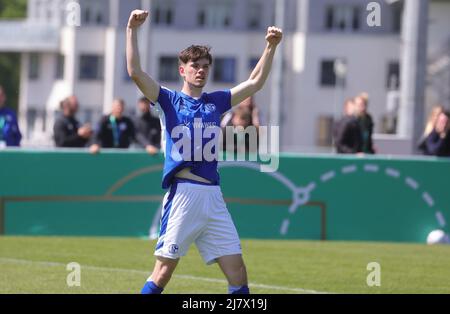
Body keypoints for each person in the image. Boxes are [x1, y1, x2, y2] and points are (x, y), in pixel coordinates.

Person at [126, 9, 282, 294]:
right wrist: (131, 30)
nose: (201, 70)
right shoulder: (168, 100)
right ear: (182, 69)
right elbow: (135, 72)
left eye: (205, 65)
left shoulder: (217, 101)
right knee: (162, 274)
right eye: (195, 65)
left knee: (238, 273)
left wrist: (270, 46)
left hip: (213, 196)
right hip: (184, 194)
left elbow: (255, 82)